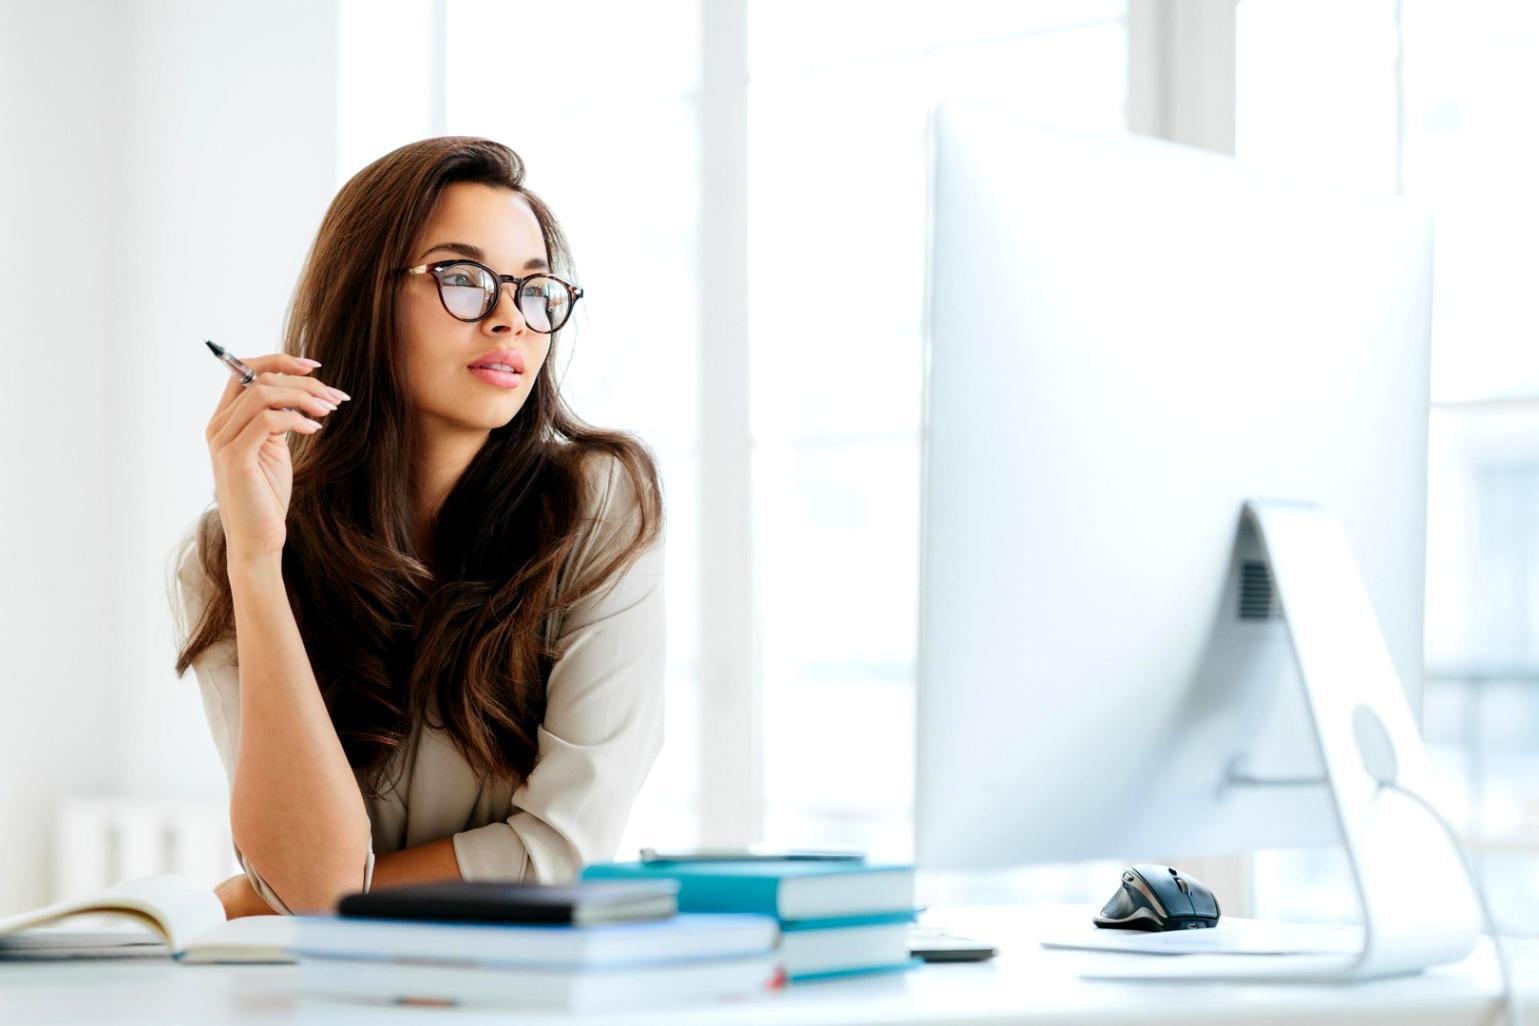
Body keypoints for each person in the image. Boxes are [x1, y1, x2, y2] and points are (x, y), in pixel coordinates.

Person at [169, 137, 665, 919]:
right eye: (463, 279)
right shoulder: (224, 553)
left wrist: (287, 902)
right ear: (365, 295)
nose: (509, 319)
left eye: (535, 289)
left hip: (516, 993)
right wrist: (258, 563)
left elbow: (559, 855)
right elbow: (303, 878)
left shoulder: (596, 507)